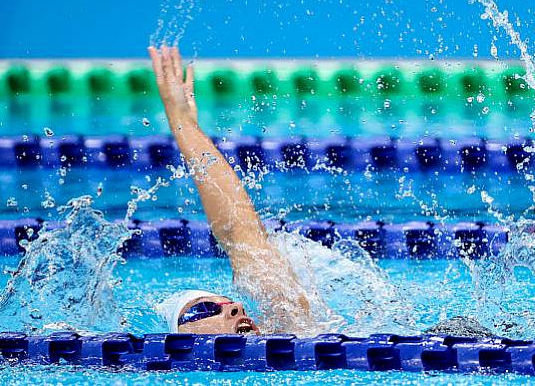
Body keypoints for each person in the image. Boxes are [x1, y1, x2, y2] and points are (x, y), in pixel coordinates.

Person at [147, 45, 494, 338]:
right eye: (205, 310)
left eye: (225, 300)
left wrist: (183, 123)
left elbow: (239, 229)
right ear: (182, 338)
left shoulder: (287, 325)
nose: (235, 306)